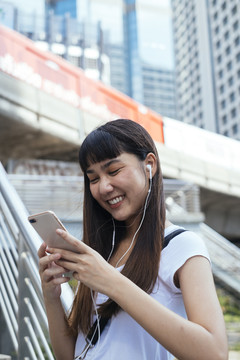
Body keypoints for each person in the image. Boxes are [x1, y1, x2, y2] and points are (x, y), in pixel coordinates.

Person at [38, 119, 228, 360]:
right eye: (93, 178)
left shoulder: (182, 246)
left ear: (149, 165)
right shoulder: (101, 252)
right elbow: (70, 355)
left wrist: (110, 281)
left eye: (114, 170)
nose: (104, 187)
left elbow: (215, 353)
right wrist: (51, 295)